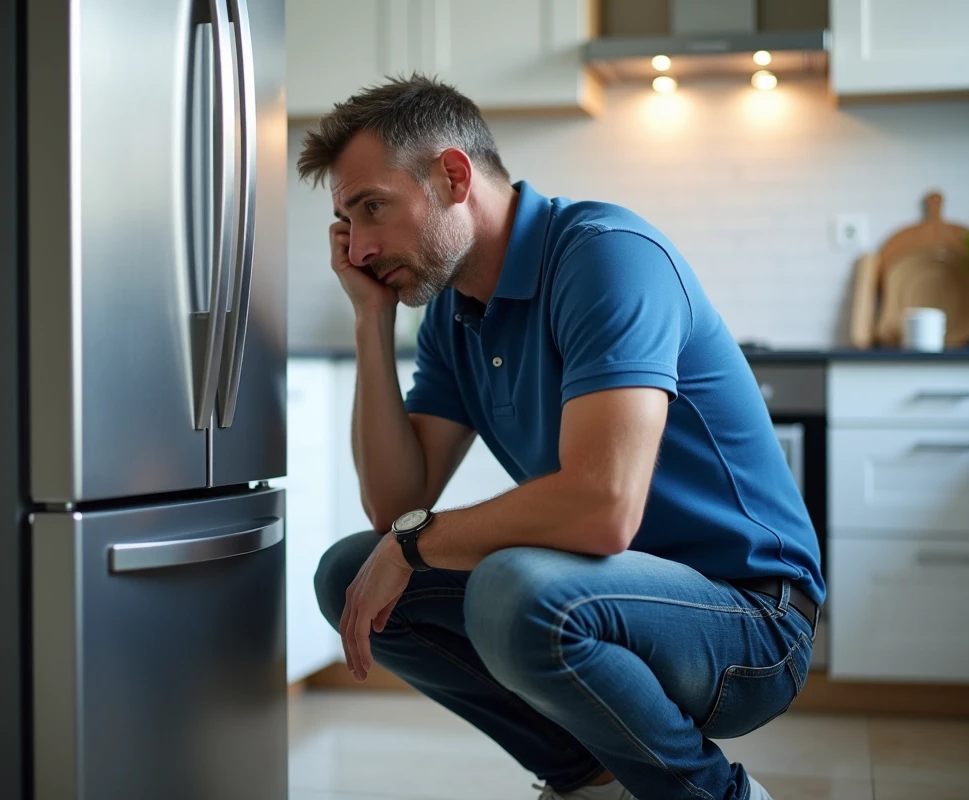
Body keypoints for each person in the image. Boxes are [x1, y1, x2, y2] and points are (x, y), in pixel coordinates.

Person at [302, 74, 824, 800]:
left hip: (752, 622)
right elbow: (395, 506)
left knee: (517, 591)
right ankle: (595, 780)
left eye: (372, 209)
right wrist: (370, 322)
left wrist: (413, 542)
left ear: (453, 175)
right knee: (351, 575)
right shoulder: (454, 312)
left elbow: (602, 510)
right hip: (609, 596)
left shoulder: (603, 255)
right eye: (345, 223)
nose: (357, 248)